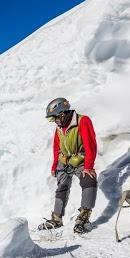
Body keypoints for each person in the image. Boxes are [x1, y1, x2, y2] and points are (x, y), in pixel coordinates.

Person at [38, 98, 98, 233]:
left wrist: (88, 167)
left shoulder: (83, 121)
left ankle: (83, 219)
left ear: (63, 113)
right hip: (63, 161)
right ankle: (56, 219)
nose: (54, 121)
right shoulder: (60, 127)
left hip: (81, 160)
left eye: (54, 118)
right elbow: (56, 146)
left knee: (89, 181)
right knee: (61, 188)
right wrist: (54, 166)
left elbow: (91, 145)